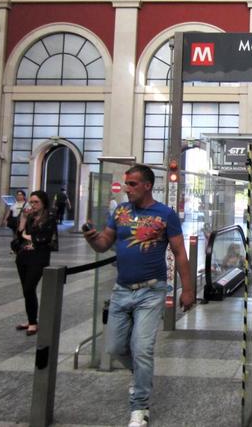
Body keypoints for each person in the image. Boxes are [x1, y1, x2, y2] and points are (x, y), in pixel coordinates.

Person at [82, 164, 194, 427]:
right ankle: (141, 373)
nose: (127, 189)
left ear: (147, 185)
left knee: (142, 349)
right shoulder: (120, 212)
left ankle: (140, 407)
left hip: (151, 291)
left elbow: (179, 253)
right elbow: (103, 244)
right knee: (114, 347)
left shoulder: (165, 214)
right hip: (122, 290)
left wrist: (188, 290)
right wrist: (91, 238)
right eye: (126, 184)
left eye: (132, 184)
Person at [15, 190, 57, 336]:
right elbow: (19, 235)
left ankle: (33, 323)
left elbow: (46, 237)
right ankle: (31, 320)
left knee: (29, 287)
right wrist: (23, 219)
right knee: (27, 291)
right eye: (31, 202)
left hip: (39, 258)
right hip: (24, 257)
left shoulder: (49, 217)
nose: (33, 205)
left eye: (36, 202)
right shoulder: (29, 216)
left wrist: (31, 239)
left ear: (43, 203)